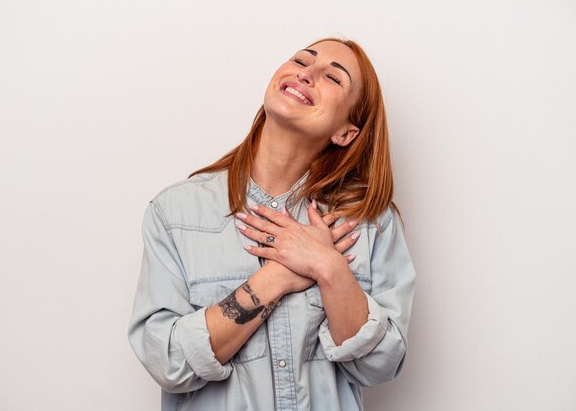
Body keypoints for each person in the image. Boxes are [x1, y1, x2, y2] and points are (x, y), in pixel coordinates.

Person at [128, 37, 416, 411]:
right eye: (301, 60)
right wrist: (276, 277)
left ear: (346, 132)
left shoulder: (370, 224)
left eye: (333, 77)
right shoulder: (176, 212)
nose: (307, 73)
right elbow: (167, 362)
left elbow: (380, 365)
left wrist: (329, 268)